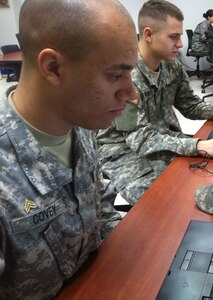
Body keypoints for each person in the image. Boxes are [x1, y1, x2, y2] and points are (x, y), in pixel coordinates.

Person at [0, 0, 138, 298]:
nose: (131, 93)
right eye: (115, 75)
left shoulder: (79, 123)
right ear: (53, 68)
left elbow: (100, 213)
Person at [96, 0, 213, 205]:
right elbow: (141, 139)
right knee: (168, 202)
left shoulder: (172, 65)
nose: (180, 43)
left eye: (180, 36)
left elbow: (191, 106)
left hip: (163, 138)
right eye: (174, 37)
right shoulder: (125, 76)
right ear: (148, 35)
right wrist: (198, 145)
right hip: (123, 151)